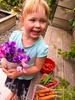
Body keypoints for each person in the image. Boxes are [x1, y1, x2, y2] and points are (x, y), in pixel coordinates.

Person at [1, 0, 50, 99]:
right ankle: (12, 93)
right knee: (13, 85)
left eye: (42, 21)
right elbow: (6, 52)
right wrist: (3, 61)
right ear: (22, 20)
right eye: (33, 20)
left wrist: (21, 72)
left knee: (21, 89)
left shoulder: (42, 48)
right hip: (12, 71)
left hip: (26, 76)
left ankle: (17, 95)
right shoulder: (15, 36)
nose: (38, 25)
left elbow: (37, 67)